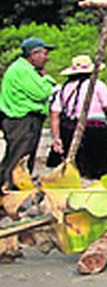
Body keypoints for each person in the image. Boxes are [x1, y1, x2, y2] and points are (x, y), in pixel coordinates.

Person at [48, 54, 107, 180]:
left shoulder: (64, 88)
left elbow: (55, 114)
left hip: (70, 129)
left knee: (76, 166)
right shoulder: (97, 85)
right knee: (97, 168)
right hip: (95, 130)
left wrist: (56, 137)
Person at [1, 37, 57, 191]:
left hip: (24, 119)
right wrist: (46, 79)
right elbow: (42, 92)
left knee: (21, 155)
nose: (47, 58)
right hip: (21, 119)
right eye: (44, 54)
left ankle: (12, 187)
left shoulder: (26, 70)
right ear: (33, 54)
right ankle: (11, 190)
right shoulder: (22, 70)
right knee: (20, 157)